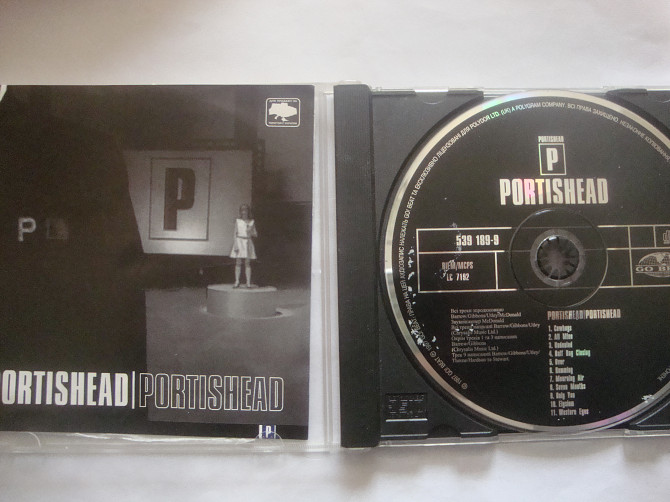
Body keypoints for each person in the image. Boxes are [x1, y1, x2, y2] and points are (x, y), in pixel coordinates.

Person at [230, 204, 257, 287]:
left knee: (247, 262)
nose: (244, 212)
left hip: (247, 242)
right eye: (242, 210)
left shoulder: (252, 222)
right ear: (240, 211)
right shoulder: (238, 221)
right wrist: (235, 244)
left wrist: (250, 231)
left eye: (245, 210)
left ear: (248, 211)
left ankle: (248, 282)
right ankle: (237, 281)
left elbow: (255, 234)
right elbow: (234, 233)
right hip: (239, 241)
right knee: (238, 262)